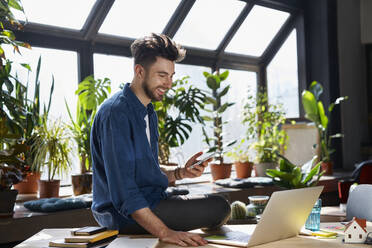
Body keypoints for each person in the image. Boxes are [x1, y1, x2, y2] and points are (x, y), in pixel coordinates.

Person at [90, 33, 231, 247]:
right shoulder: (115, 113)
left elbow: (146, 170)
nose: (169, 83)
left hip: (152, 199)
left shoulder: (148, 111)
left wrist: (180, 172)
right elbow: (124, 192)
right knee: (219, 208)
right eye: (162, 75)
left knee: (217, 204)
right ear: (139, 71)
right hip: (122, 215)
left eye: (171, 76)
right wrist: (166, 233)